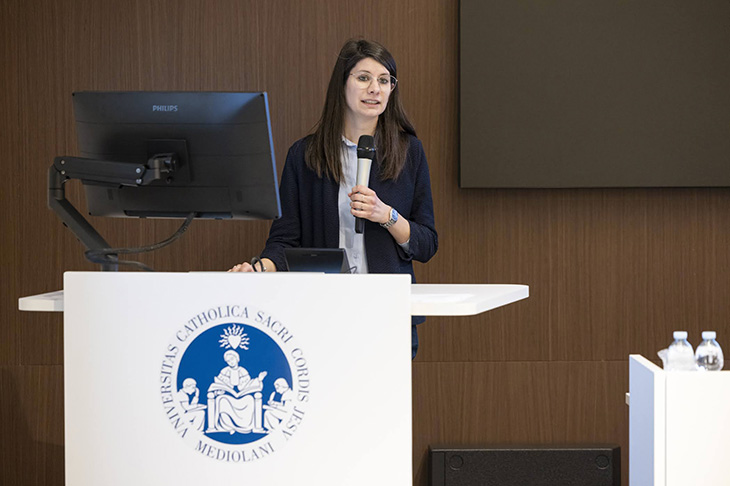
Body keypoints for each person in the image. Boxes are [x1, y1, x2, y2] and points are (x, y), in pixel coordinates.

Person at [230, 39, 438, 357]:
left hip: (387, 315)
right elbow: (285, 241)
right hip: (321, 313)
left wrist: (387, 215)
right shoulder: (305, 155)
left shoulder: (410, 153)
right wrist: (259, 269)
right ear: (342, 84)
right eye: (364, 77)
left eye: (384, 80)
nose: (375, 89)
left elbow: (426, 244)